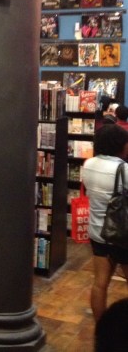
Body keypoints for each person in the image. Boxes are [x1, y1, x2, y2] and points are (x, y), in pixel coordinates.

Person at [81, 125, 128, 321]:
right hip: (122, 234)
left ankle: (101, 327)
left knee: (100, 283)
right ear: (120, 145)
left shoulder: (88, 164)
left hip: (98, 232)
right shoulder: (123, 169)